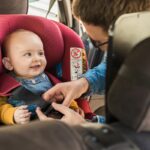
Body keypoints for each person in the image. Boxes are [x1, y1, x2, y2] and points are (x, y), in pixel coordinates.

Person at [36, 0, 150, 125]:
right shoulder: (134, 47)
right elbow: (113, 65)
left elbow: (138, 138)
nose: (98, 48)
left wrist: (84, 127)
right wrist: (84, 84)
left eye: (98, 42)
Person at [0, 29, 79, 125]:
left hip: (58, 123)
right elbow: (1, 108)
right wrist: (13, 115)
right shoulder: (6, 85)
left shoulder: (50, 78)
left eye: (41, 53)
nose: (37, 58)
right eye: (28, 54)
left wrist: (74, 108)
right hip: (28, 129)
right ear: (8, 63)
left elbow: (66, 94)